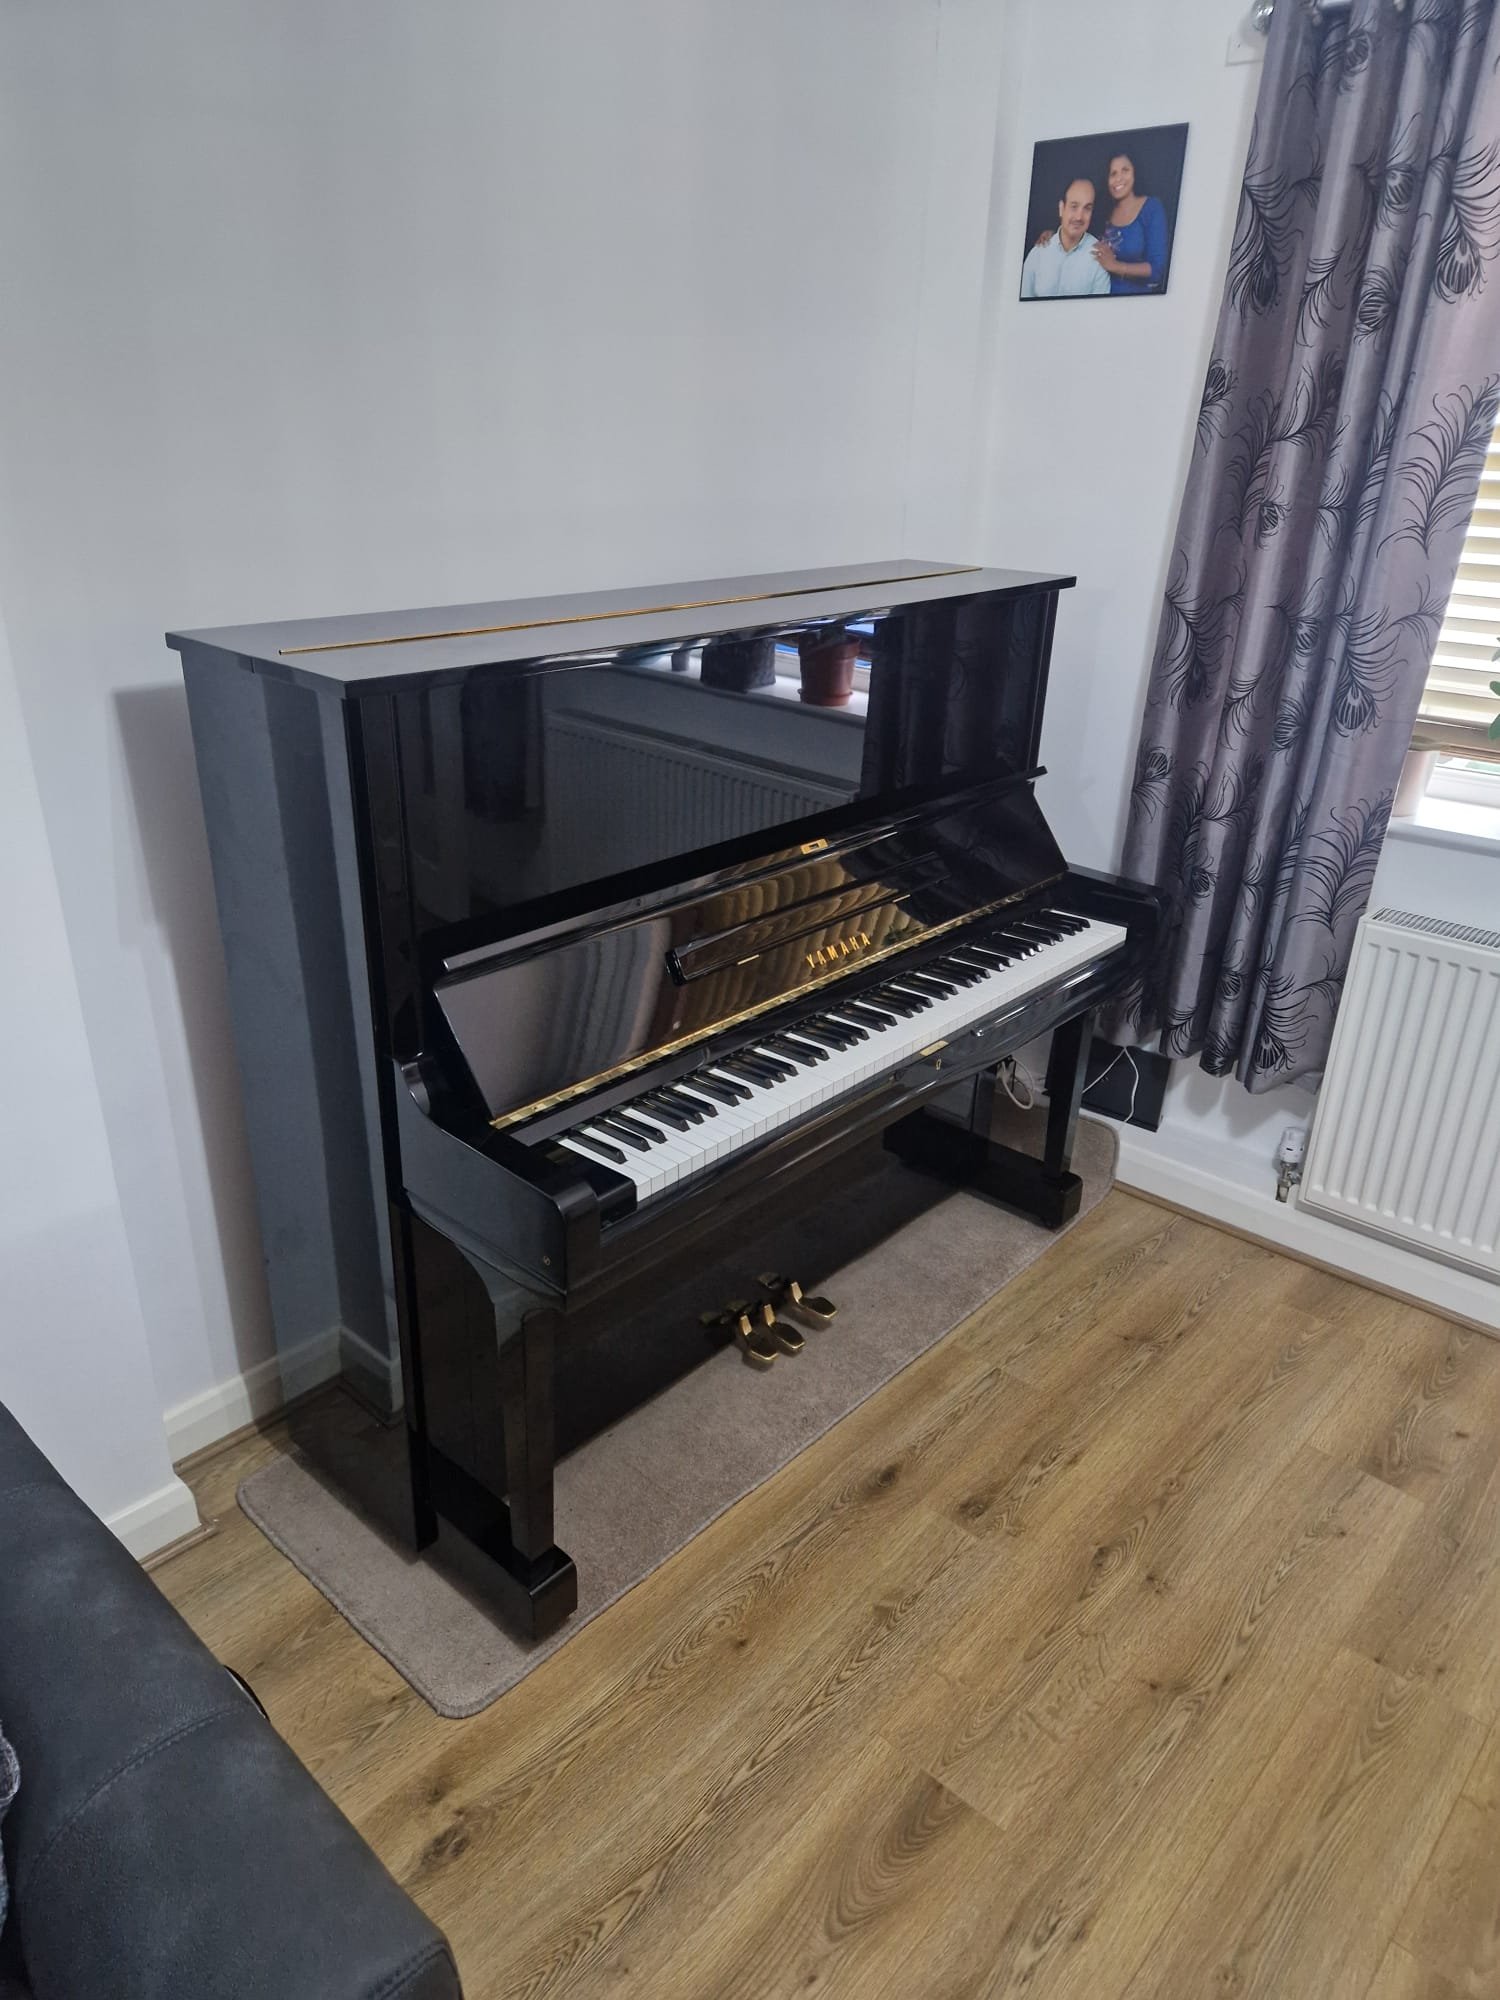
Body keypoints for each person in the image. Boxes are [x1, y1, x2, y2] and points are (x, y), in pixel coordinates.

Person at [1029, 149, 1170, 296]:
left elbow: (1157, 270)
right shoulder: (1102, 210)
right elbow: (1078, 230)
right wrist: (1051, 235)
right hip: (1093, 298)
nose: (1119, 178)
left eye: (1125, 170)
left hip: (1133, 303)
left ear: (1135, 172)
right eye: (1113, 173)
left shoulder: (1151, 208)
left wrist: (1116, 266)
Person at [1019, 176, 1111, 299]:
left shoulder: (1099, 257)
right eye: (1074, 206)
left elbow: (1098, 312)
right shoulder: (1039, 252)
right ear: (1061, 208)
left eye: (1087, 208)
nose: (1079, 217)